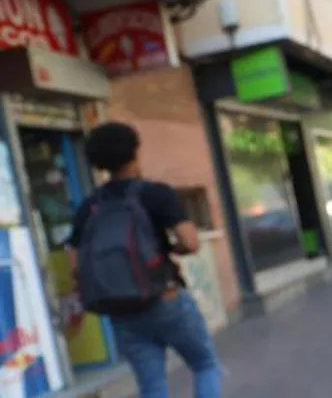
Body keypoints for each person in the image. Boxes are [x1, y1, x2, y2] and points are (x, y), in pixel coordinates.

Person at [66, 122, 220, 398]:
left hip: (121, 310)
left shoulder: (89, 207)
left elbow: (75, 264)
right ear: (135, 153)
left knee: (151, 386)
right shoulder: (155, 193)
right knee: (204, 364)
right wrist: (174, 250)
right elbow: (191, 241)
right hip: (165, 298)